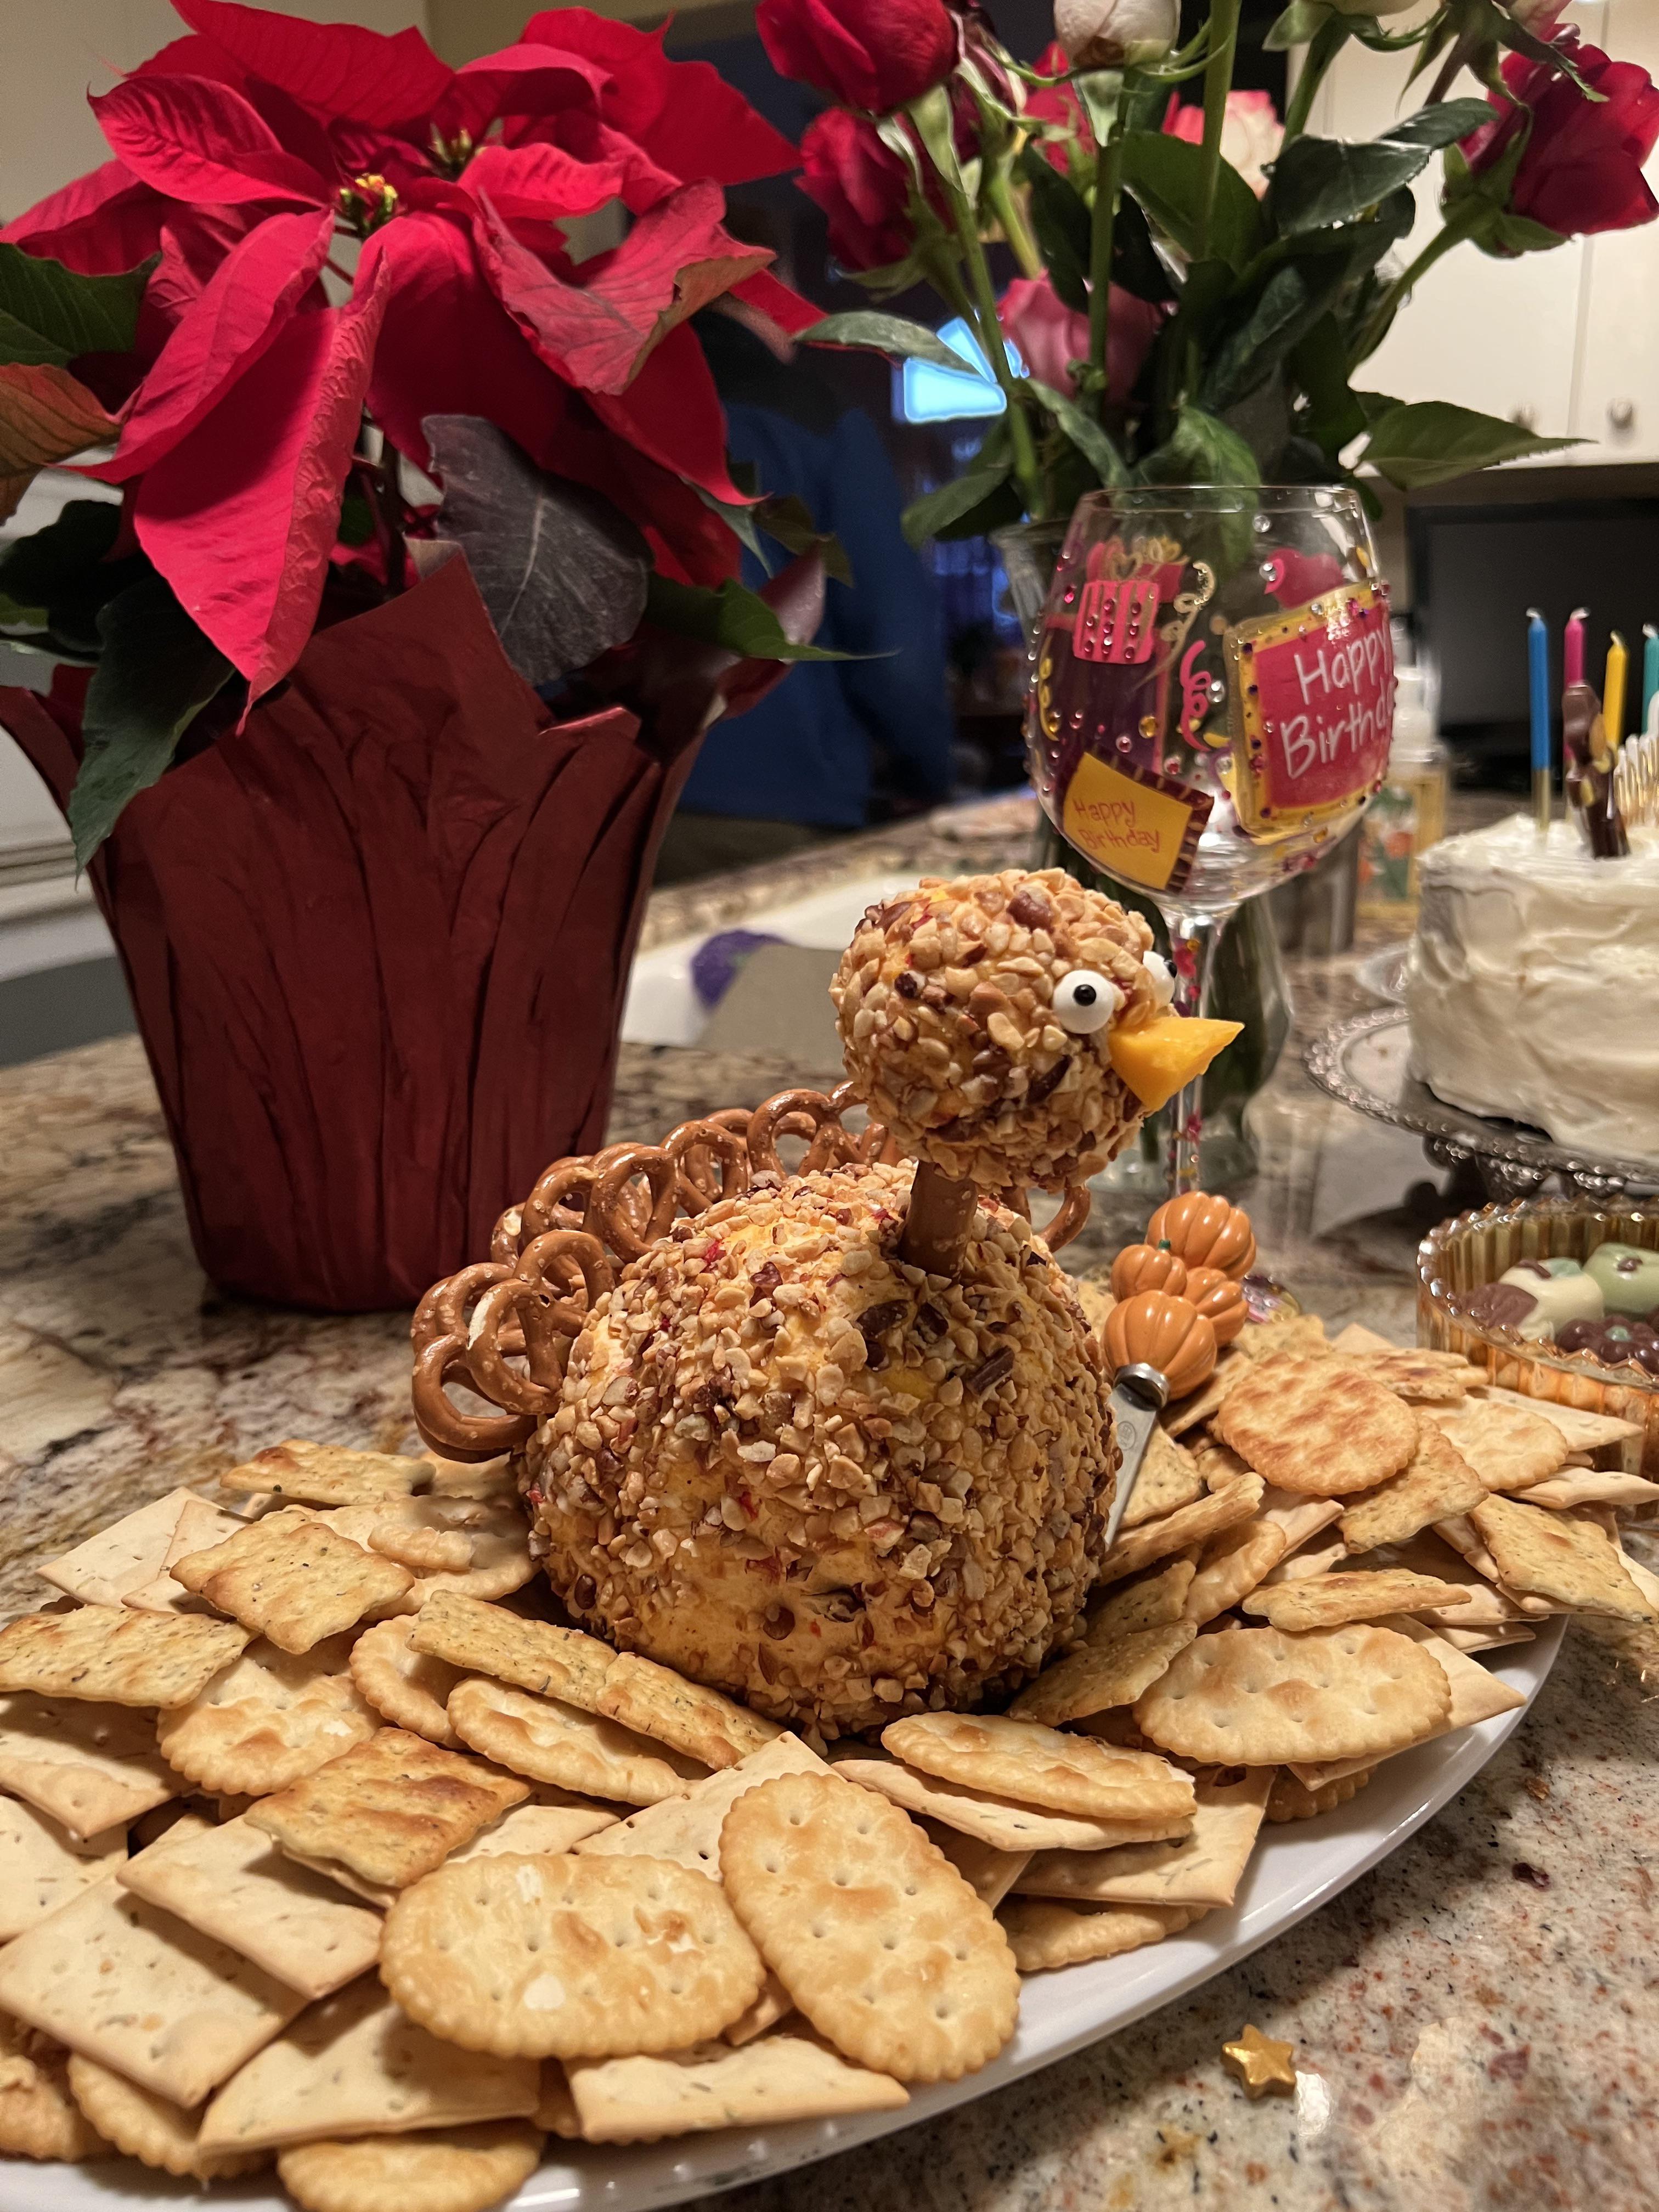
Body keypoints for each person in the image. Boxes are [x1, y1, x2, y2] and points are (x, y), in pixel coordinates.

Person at [657, 298, 955, 883]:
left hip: (608, 808)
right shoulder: (816, 416)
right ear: (774, 298)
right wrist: (928, 772)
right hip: (780, 808)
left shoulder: (598, 401)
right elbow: (897, 650)